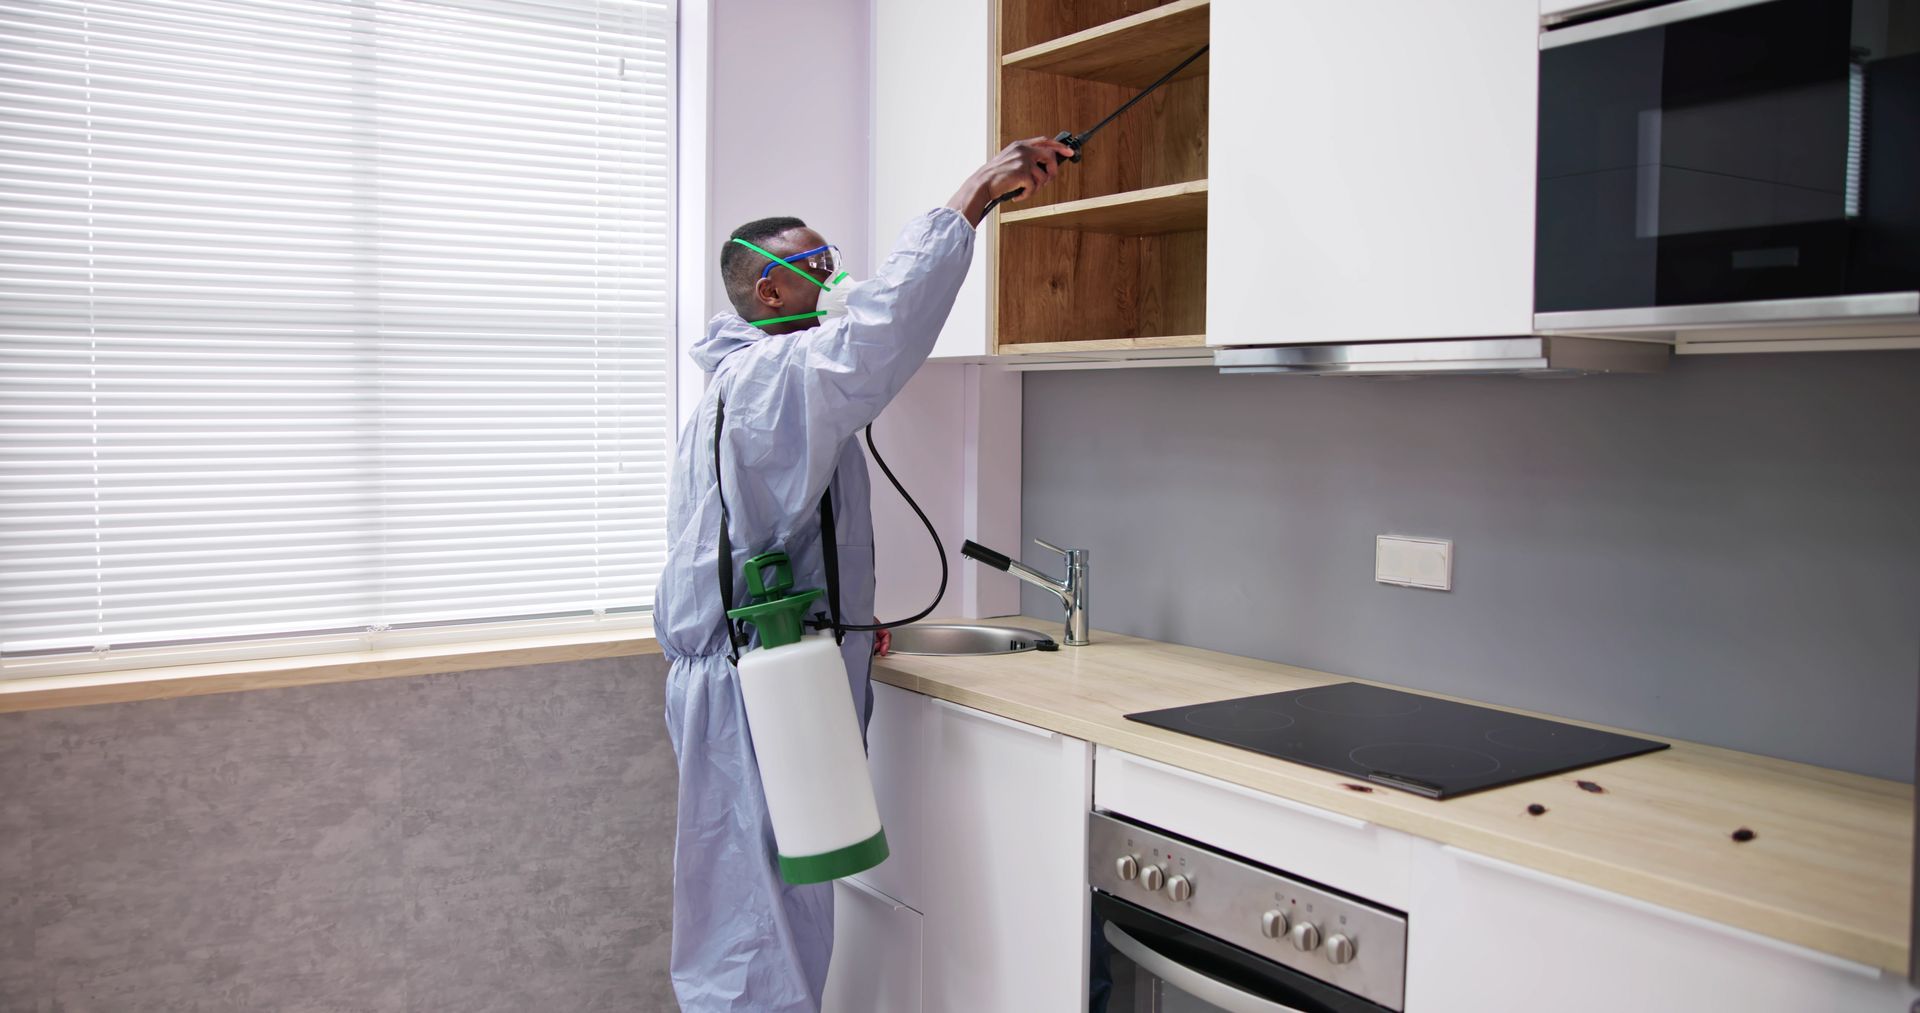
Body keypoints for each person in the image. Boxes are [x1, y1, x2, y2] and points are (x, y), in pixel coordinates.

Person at [652, 135, 1075, 1012]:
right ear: (767, 288)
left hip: (756, 669)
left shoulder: (752, 379)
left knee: (764, 906)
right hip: (757, 686)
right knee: (759, 925)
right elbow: (881, 330)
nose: (834, 277)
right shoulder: (771, 378)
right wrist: (971, 197)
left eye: (832, 258)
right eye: (813, 265)